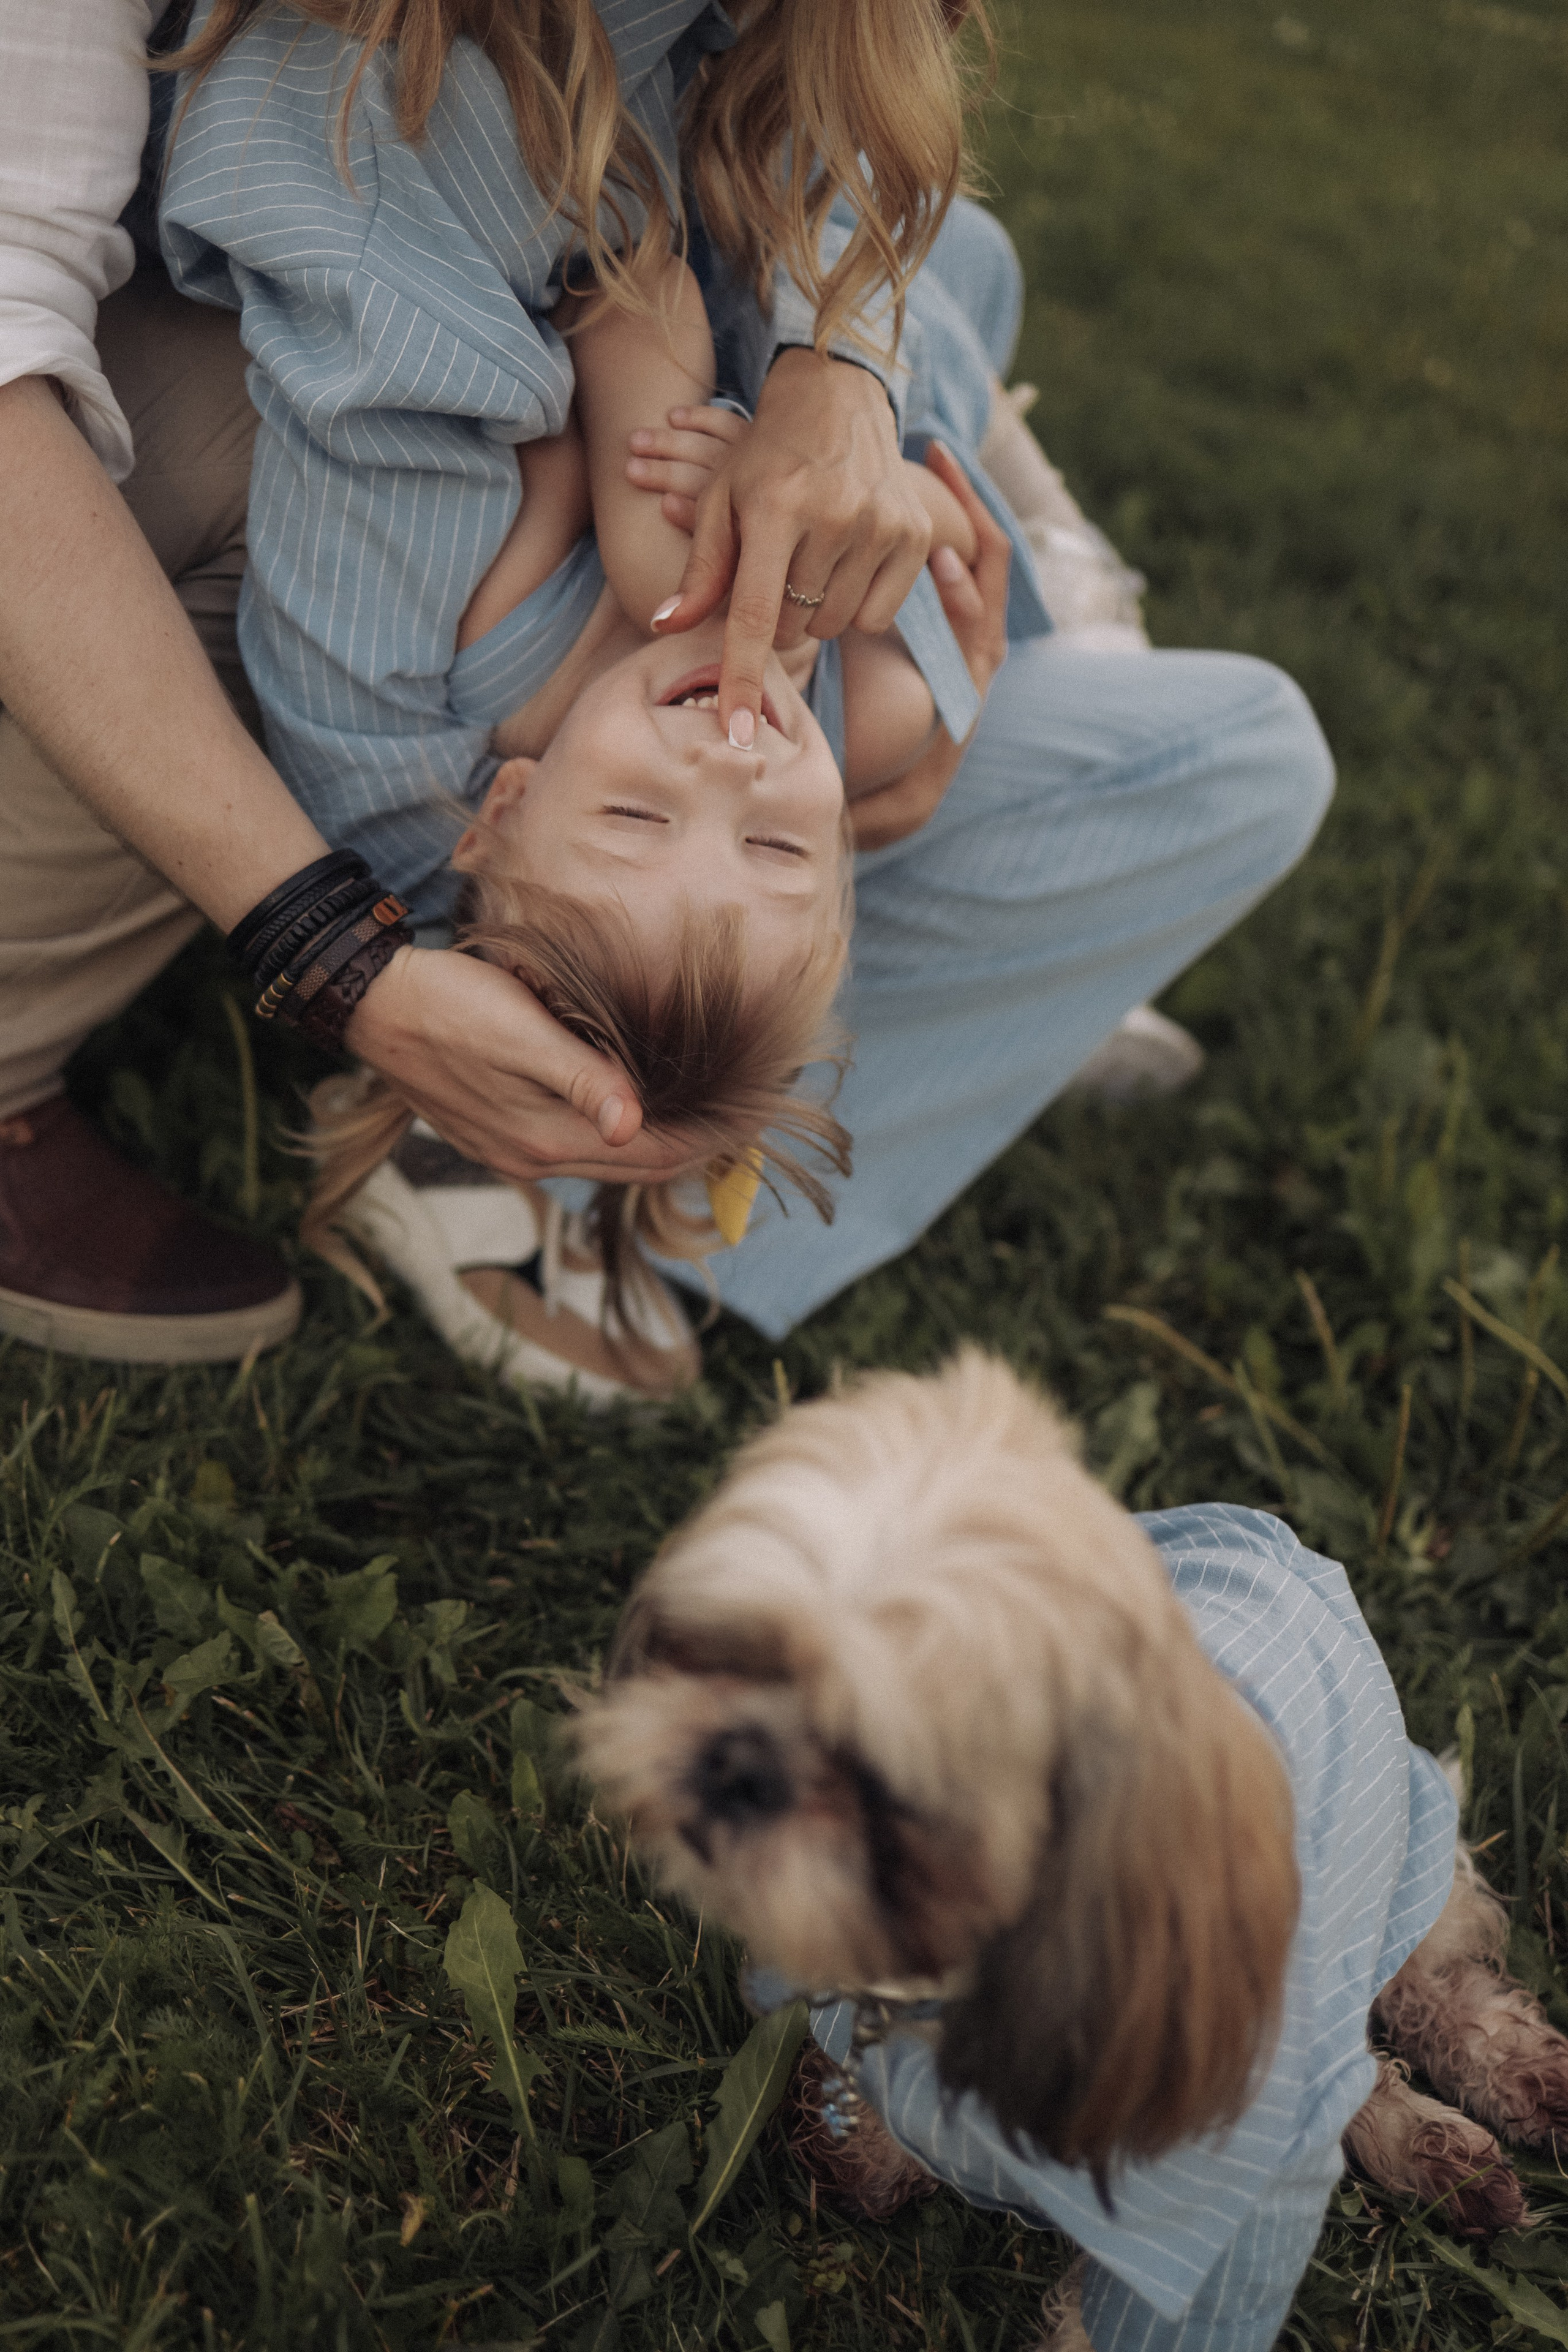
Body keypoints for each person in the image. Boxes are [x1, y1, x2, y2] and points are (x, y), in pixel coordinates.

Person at [0, 0, 950, 1363]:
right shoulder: (831, 706)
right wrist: (887, 589)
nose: (730, 765)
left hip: (402, 168)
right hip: (509, 144)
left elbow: (619, 300)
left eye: (639, 819)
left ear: (500, 809)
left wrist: (673, 479)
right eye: (778, 845)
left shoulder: (472, 658)